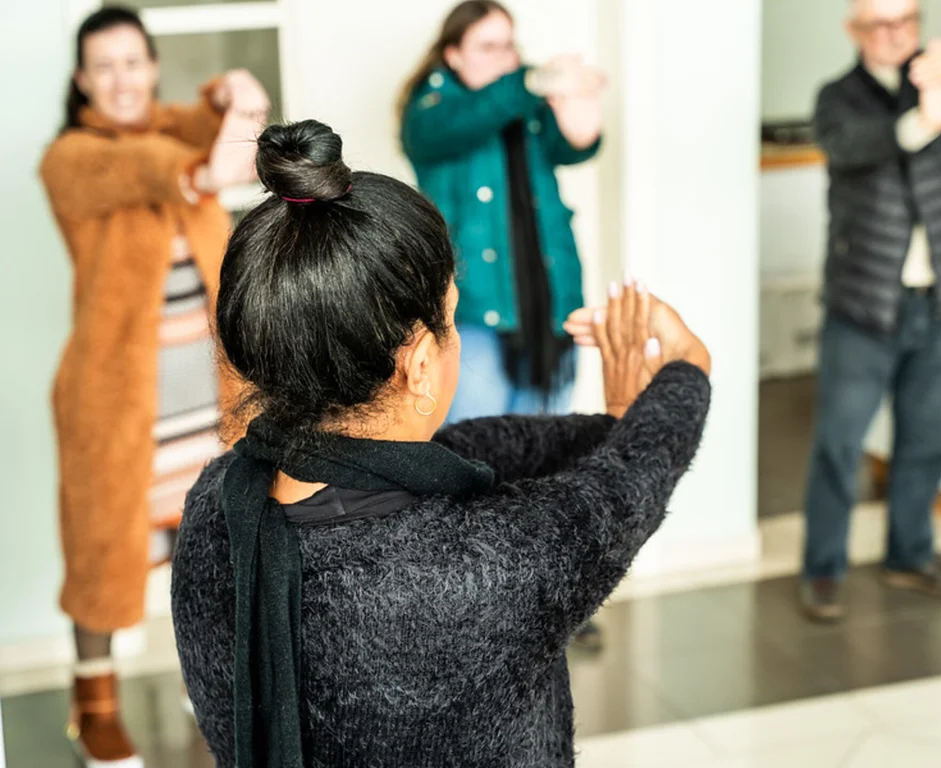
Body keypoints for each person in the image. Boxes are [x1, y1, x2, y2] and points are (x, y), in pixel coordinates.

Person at [170, 119, 711, 767]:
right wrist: (688, 371)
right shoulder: (468, 577)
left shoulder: (216, 504)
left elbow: (469, 452)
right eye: (450, 316)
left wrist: (614, 424)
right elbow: (615, 499)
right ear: (419, 363)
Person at [38, 6, 269, 764]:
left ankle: (199, 683)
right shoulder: (71, 158)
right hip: (118, 406)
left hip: (208, 400)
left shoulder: (171, 124)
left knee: (206, 552)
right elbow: (138, 168)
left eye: (132, 61)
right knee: (103, 557)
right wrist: (198, 174)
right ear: (81, 81)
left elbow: (219, 125)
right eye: (103, 67)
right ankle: (94, 701)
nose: (121, 78)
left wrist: (234, 92)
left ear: (151, 66)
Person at [800, 0, 941, 622]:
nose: (896, 35)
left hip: (940, 297)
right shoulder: (837, 97)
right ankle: (823, 570)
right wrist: (925, 119)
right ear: (854, 30)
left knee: (927, 436)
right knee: (840, 443)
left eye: (907, 21)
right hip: (863, 305)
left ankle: (910, 555)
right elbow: (856, 144)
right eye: (881, 24)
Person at [398, 0, 604, 423]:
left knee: (544, 449)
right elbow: (475, 116)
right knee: (476, 449)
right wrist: (533, 82)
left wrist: (578, 108)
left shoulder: (525, 105)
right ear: (452, 54)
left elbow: (571, 146)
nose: (505, 57)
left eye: (508, 45)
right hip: (471, 308)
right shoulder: (431, 110)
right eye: (488, 46)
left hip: (548, 301)